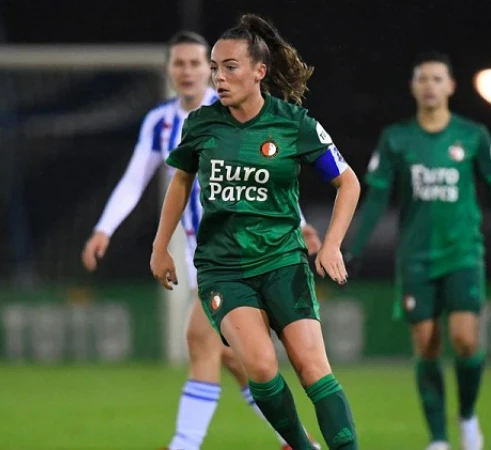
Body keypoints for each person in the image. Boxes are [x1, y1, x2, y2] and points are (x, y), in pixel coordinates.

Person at [80, 30, 323, 450]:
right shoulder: (160, 122)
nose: (189, 71)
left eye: (197, 63)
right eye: (181, 63)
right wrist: (105, 228)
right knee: (233, 357)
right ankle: (297, 442)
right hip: (198, 251)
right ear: (168, 71)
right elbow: (135, 179)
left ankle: (185, 444)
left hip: (239, 252)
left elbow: (267, 175)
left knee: (200, 339)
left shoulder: (232, 111)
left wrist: (299, 222)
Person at [150, 14, 361, 450]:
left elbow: (348, 182)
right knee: (262, 369)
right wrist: (160, 246)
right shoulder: (203, 124)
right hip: (224, 269)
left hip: (283, 261)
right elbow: (181, 181)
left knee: (312, 369)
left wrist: (333, 244)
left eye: (229, 67)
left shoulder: (294, 124)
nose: (218, 77)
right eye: (214, 67)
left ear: (259, 72)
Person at [344, 51, 491, 450]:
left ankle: (466, 416)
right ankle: (438, 439)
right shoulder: (397, 138)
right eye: (422, 79)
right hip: (415, 257)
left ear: (450, 87)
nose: (429, 85)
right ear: (413, 87)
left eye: (437, 78)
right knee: (427, 343)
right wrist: (353, 247)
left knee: (465, 339)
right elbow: (378, 198)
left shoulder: (473, 136)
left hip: (463, 252)